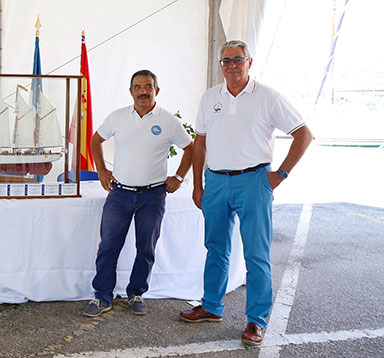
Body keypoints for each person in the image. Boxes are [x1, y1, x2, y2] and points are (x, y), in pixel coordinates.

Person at [179, 40, 312, 346]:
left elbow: (303, 133)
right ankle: (211, 306)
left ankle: (256, 321)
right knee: (216, 247)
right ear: (220, 65)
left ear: (250, 62)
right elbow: (200, 141)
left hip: (253, 182)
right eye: (226, 61)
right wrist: (198, 184)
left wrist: (279, 175)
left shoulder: (268, 96)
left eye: (238, 60)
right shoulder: (210, 97)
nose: (232, 66)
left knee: (256, 253)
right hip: (215, 182)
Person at [83, 70, 194, 317]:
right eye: (137, 87)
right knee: (109, 246)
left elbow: (191, 148)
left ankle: (136, 293)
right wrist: (101, 169)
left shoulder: (169, 121)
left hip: (153, 196)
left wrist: (178, 177)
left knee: (146, 248)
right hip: (120, 194)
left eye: (148, 86)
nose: (143, 91)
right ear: (131, 90)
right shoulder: (118, 117)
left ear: (157, 90)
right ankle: (102, 297)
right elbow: (95, 139)